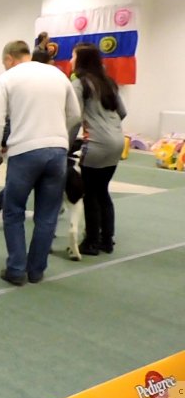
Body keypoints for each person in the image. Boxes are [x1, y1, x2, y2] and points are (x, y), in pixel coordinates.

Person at [0, 40, 80, 286]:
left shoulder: (8, 79)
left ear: (9, 59)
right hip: (57, 150)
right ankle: (37, 270)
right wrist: (61, 139)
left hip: (24, 151)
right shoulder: (58, 74)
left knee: (13, 211)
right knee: (47, 215)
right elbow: (75, 115)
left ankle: (16, 268)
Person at [0, 49, 56, 230]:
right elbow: (7, 117)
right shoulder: (19, 82)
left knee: (29, 182)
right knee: (24, 184)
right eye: (50, 62)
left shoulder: (45, 83)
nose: (53, 65)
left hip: (42, 143)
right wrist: (2, 144)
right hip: (25, 143)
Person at [69, 43, 127, 255]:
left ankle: (91, 241)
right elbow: (122, 112)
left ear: (81, 60)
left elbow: (74, 116)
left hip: (96, 144)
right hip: (117, 141)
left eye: (73, 57)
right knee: (103, 191)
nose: (70, 61)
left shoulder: (80, 84)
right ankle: (107, 240)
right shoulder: (108, 82)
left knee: (90, 193)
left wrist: (66, 144)